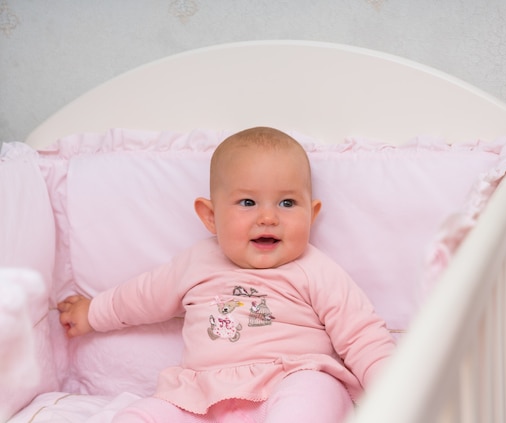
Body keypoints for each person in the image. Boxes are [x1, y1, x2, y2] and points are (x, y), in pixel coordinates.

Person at [57, 127, 396, 423]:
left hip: (289, 378)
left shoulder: (314, 268)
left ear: (312, 212)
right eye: (248, 203)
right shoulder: (197, 262)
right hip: (201, 400)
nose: (268, 218)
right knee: (141, 414)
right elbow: (142, 296)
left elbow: (362, 335)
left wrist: (402, 391)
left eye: (288, 203)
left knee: (313, 393)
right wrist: (93, 312)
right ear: (210, 216)